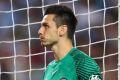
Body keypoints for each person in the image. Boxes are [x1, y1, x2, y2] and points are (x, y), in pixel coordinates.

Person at [38, 5, 102, 80]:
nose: (40, 31)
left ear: (62, 30)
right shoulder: (49, 68)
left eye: (46, 26)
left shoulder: (82, 63)